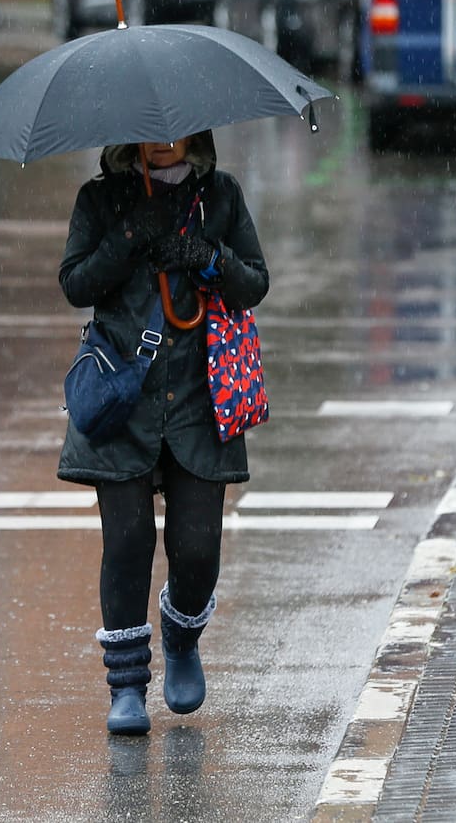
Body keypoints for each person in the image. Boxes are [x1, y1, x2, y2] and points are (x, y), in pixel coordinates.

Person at [57, 130, 269, 736]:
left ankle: (181, 637)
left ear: (195, 131)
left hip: (203, 401)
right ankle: (126, 685)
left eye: (174, 132)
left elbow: (254, 282)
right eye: (147, 134)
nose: (162, 144)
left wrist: (206, 256)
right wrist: (131, 234)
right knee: (126, 545)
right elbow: (76, 285)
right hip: (121, 399)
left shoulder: (220, 196)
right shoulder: (99, 201)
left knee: (197, 551)